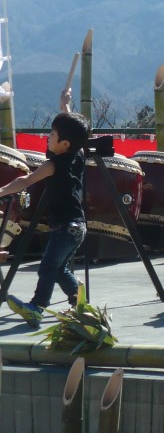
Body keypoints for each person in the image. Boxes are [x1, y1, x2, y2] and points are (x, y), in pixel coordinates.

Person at [4, 88, 89, 327]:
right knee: (59, 268)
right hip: (77, 225)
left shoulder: (54, 164)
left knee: (48, 266)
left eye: (52, 134)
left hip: (65, 227)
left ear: (64, 143)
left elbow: (25, 181)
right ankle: (80, 304)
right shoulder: (77, 155)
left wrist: (0, 191)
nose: (47, 137)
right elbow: (76, 133)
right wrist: (66, 107)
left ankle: (37, 307)